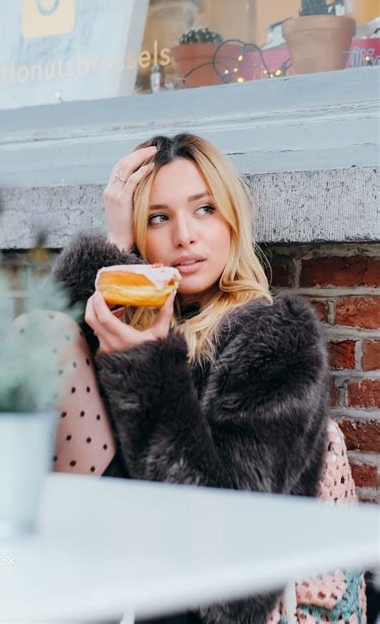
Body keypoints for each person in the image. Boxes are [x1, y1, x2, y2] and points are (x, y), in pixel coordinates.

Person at [49, 133, 367, 624]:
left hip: (192, 598)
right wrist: (112, 248)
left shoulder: (274, 337)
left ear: (232, 221)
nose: (183, 236)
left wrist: (148, 369)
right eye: (158, 217)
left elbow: (228, 549)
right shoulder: (122, 321)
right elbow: (28, 369)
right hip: (100, 557)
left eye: (204, 210)